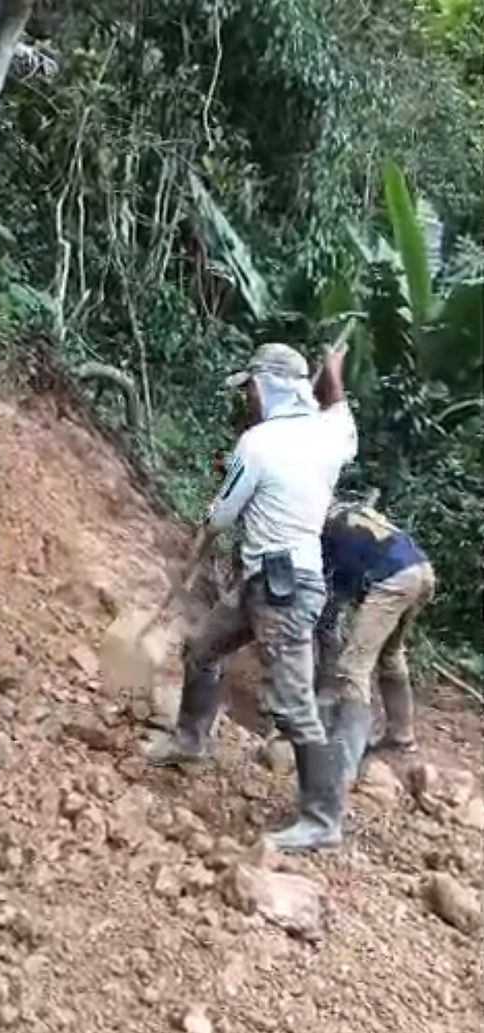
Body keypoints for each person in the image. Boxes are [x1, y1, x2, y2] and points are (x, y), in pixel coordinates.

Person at [142, 342, 358, 853]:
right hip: (269, 580)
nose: (248, 400)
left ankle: (324, 818)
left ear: (267, 387)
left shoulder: (259, 443)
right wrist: (333, 373)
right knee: (202, 648)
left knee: (294, 701)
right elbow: (338, 408)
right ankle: (191, 740)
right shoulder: (332, 435)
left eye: (251, 389)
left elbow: (222, 515)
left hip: (282, 589)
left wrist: (210, 519)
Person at [315, 501, 435, 777]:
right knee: (390, 653)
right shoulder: (349, 511)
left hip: (393, 580)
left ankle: (343, 764)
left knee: (352, 666)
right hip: (421, 570)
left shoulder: (324, 532)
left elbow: (332, 598)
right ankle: (401, 735)